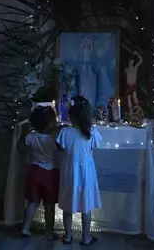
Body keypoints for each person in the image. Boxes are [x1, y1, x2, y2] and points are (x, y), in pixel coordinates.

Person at [56, 96, 102, 246]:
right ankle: (86, 237)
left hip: (69, 172)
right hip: (86, 173)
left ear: (71, 116)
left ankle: (68, 236)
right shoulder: (92, 132)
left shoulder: (65, 132)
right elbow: (95, 146)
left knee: (67, 206)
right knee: (86, 206)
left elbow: (61, 147)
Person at [19, 106, 60, 240]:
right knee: (49, 205)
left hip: (34, 171)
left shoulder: (31, 136)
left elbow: (21, 146)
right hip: (50, 174)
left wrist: (23, 133)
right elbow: (62, 148)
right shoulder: (53, 139)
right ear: (50, 124)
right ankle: (49, 232)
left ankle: (25, 228)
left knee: (32, 202)